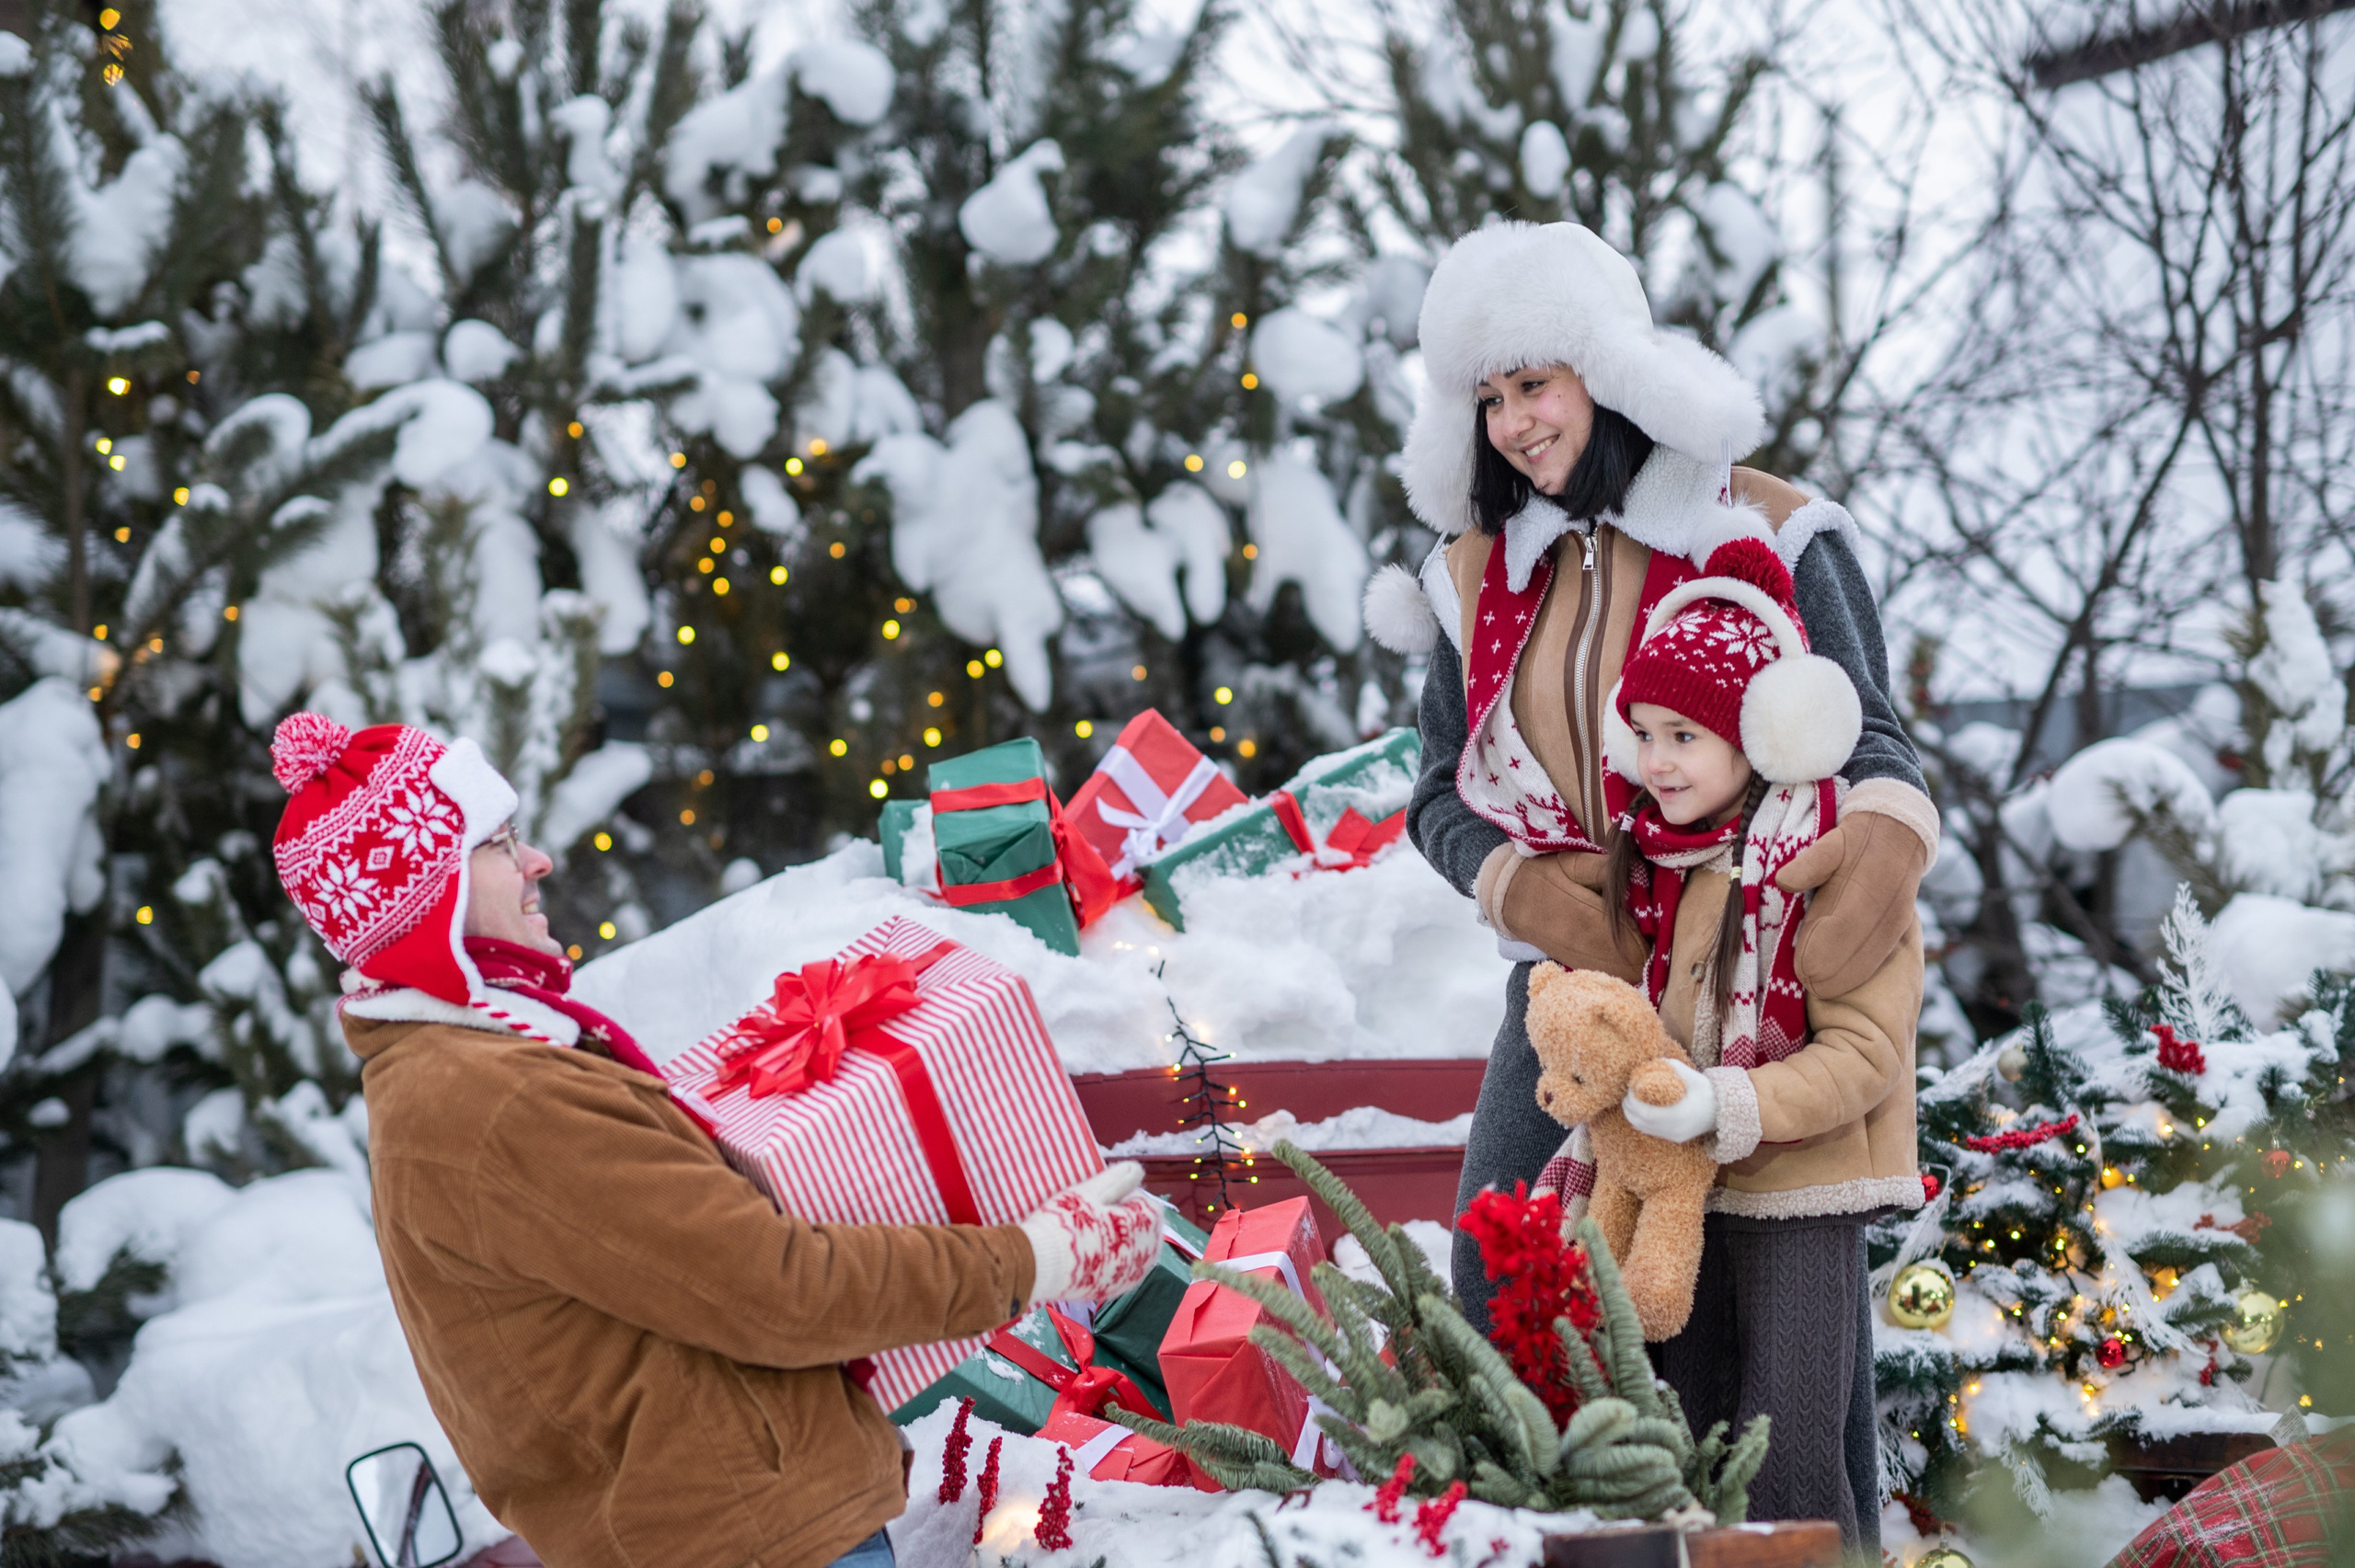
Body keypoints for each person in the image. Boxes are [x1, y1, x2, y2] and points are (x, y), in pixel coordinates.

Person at [264, 712, 1163, 1568]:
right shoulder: (489, 1102)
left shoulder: (464, 1074)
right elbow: (777, 1291)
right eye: (497, 845)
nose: (536, 860)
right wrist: (1034, 1258)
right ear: (433, 896)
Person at [1365, 221, 1938, 1552]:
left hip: (1752, 964)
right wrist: (1520, 888)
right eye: (1488, 397)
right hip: (1577, 994)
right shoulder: (1476, 572)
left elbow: (1879, 744)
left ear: (1607, 370)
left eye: (1535, 383)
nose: (1513, 423)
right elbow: (1437, 799)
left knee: (1768, 1310)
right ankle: (1591, 1539)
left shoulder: (1764, 525)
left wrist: (1879, 857)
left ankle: (1799, 1541)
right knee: (1515, 1262)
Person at [1531, 536, 1924, 1549]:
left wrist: (1728, 1104)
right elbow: (1646, 1031)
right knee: (1689, 1421)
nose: (1655, 761)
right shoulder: (1672, 865)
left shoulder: (1837, 866)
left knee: (1785, 1447)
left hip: (1799, 1186)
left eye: (1684, 736)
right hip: (1687, 1191)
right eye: (1643, 734)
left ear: (1759, 738)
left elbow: (1867, 1054)